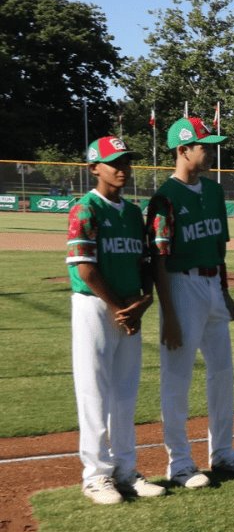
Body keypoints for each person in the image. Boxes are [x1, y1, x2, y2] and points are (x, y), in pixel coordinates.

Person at [147, 117, 234, 488]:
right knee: (177, 377)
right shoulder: (164, 198)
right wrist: (169, 314)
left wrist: (225, 292)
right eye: (204, 146)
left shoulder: (213, 193)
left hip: (212, 284)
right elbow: (158, 260)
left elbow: (218, 248)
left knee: (222, 373)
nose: (211, 151)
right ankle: (180, 463)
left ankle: (223, 453)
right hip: (180, 286)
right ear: (183, 150)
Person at [69, 136, 161, 504]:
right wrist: (117, 307)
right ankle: (95, 476)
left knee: (125, 392)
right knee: (94, 391)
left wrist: (141, 301)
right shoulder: (86, 209)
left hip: (127, 308)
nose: (122, 169)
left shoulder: (131, 212)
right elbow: (86, 270)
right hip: (95, 306)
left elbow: (144, 263)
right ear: (95, 168)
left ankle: (126, 470)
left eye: (126, 162)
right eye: (113, 163)